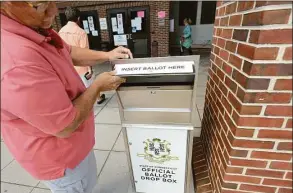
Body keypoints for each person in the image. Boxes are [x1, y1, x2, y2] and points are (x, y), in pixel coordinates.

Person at [1, 2, 132, 193]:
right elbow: (64, 125)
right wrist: (97, 87)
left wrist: (107, 54)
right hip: (60, 159)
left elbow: (68, 51)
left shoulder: (33, 27)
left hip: (76, 147)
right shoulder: (16, 61)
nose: (54, 11)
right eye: (40, 6)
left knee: (87, 182)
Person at [59, 7, 106, 104]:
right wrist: (90, 69)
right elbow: (85, 53)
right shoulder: (81, 33)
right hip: (81, 67)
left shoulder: (60, 32)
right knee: (90, 84)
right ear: (78, 18)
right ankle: (98, 98)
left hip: (67, 66)